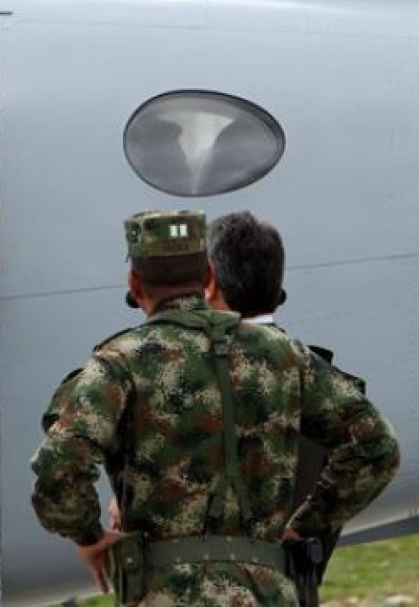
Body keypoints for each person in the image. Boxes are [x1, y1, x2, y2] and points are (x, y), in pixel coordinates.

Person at [30, 210, 399, 606]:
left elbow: (59, 466)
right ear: (209, 277)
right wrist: (308, 524)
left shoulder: (120, 362)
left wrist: (89, 536)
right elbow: (376, 446)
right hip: (267, 592)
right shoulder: (284, 354)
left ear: (135, 284)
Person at [205, 210, 360, 606]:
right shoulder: (320, 380)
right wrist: (307, 524)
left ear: (210, 282)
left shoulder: (183, 372)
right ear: (278, 291)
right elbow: (375, 452)